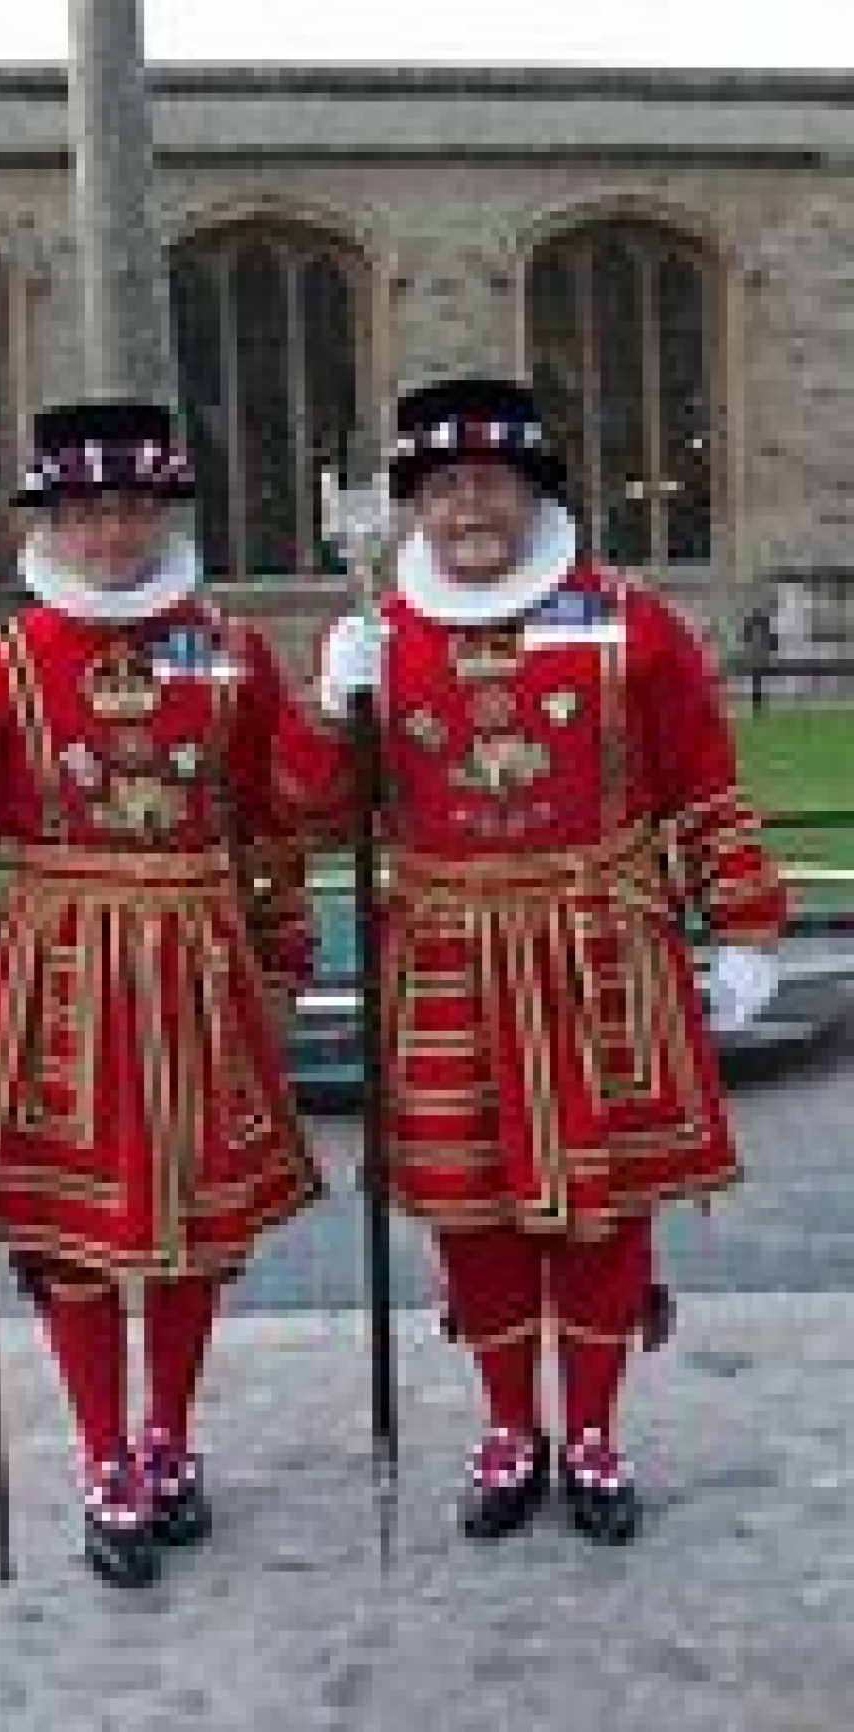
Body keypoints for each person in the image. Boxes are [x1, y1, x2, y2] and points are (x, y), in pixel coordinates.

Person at [316, 377, 787, 1543]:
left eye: (492, 483)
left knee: (602, 1212)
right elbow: (322, 814)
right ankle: (508, 1428)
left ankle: (592, 1434)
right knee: (473, 1215)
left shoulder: (633, 623)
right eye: (444, 488)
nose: (469, 507)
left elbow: (703, 782)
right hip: (446, 963)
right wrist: (333, 714)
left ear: (534, 493)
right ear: (415, 507)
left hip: (600, 955)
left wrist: (743, 924)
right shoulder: (382, 635)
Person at [0, 399, 321, 1588]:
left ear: (163, 513)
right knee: (67, 1229)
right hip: (59, 972)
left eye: (131, 508)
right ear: (50, 524)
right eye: (85, 512)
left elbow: (277, 820)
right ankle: (104, 1455)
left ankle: (169, 1435)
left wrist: (284, 949)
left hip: (198, 966)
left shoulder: (227, 651)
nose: (110, 533)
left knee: (191, 1226)